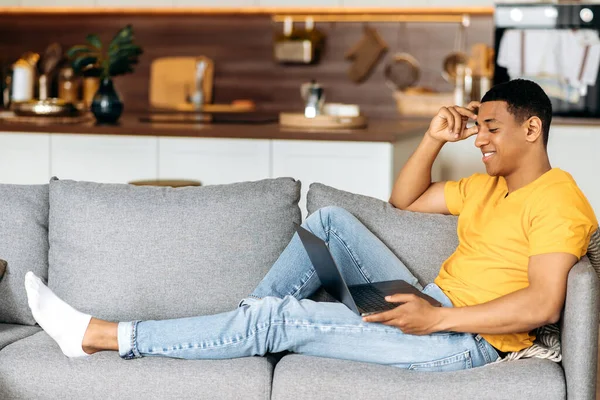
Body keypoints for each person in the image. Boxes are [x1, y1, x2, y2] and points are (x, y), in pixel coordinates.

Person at [24, 79, 597, 372]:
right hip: (431, 303)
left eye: (492, 128)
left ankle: (101, 336)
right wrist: (431, 137)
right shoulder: (488, 187)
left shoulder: (558, 197)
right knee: (330, 223)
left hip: (463, 340)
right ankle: (243, 333)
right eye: (477, 129)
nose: (480, 140)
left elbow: (545, 303)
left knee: (280, 318)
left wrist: (436, 318)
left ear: (533, 130)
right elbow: (406, 199)